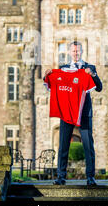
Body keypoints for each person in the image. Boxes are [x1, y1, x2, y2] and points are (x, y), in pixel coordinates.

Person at [43, 41, 102, 186]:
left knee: (88, 145)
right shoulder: (62, 69)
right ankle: (61, 177)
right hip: (67, 113)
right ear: (69, 52)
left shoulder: (89, 68)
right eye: (73, 51)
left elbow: (99, 87)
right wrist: (48, 76)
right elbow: (53, 86)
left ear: (82, 52)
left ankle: (90, 177)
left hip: (84, 113)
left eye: (78, 51)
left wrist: (92, 74)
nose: (76, 54)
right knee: (63, 145)